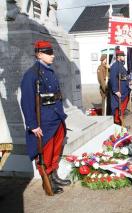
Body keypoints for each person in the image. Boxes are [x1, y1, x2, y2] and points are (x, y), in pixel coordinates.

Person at [20, 40, 71, 195]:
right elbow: (27, 101)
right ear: (39, 54)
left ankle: (54, 176)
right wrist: (33, 125)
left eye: (52, 52)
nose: (52, 55)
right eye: (49, 53)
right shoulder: (31, 74)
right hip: (45, 121)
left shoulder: (49, 70)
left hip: (56, 117)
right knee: (46, 153)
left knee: (55, 150)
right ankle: (47, 181)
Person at [110, 50, 131, 125]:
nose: (124, 57)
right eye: (123, 56)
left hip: (124, 90)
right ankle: (117, 123)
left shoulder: (121, 65)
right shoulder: (115, 66)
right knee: (117, 109)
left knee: (122, 108)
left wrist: (128, 80)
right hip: (119, 91)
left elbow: (123, 77)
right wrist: (115, 90)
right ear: (118, 57)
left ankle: (120, 123)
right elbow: (112, 78)